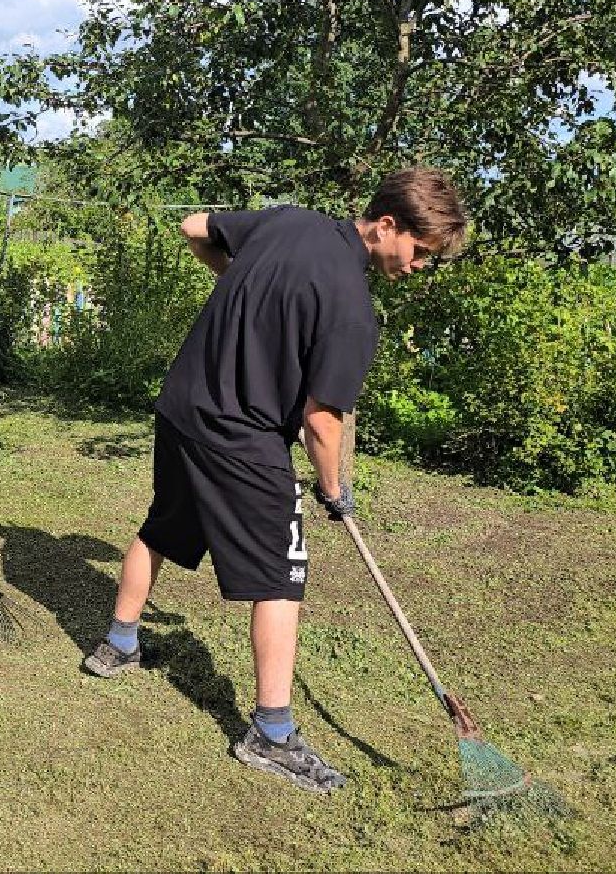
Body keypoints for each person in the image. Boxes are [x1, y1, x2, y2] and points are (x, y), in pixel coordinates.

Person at [80, 167, 468, 793]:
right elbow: (322, 421)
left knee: (163, 526)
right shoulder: (351, 308)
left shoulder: (290, 221)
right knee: (282, 578)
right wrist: (334, 489)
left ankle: (118, 644)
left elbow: (194, 227)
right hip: (242, 437)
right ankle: (272, 733)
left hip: (183, 407)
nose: (422, 265)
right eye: (421, 250)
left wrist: (238, 283)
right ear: (386, 225)